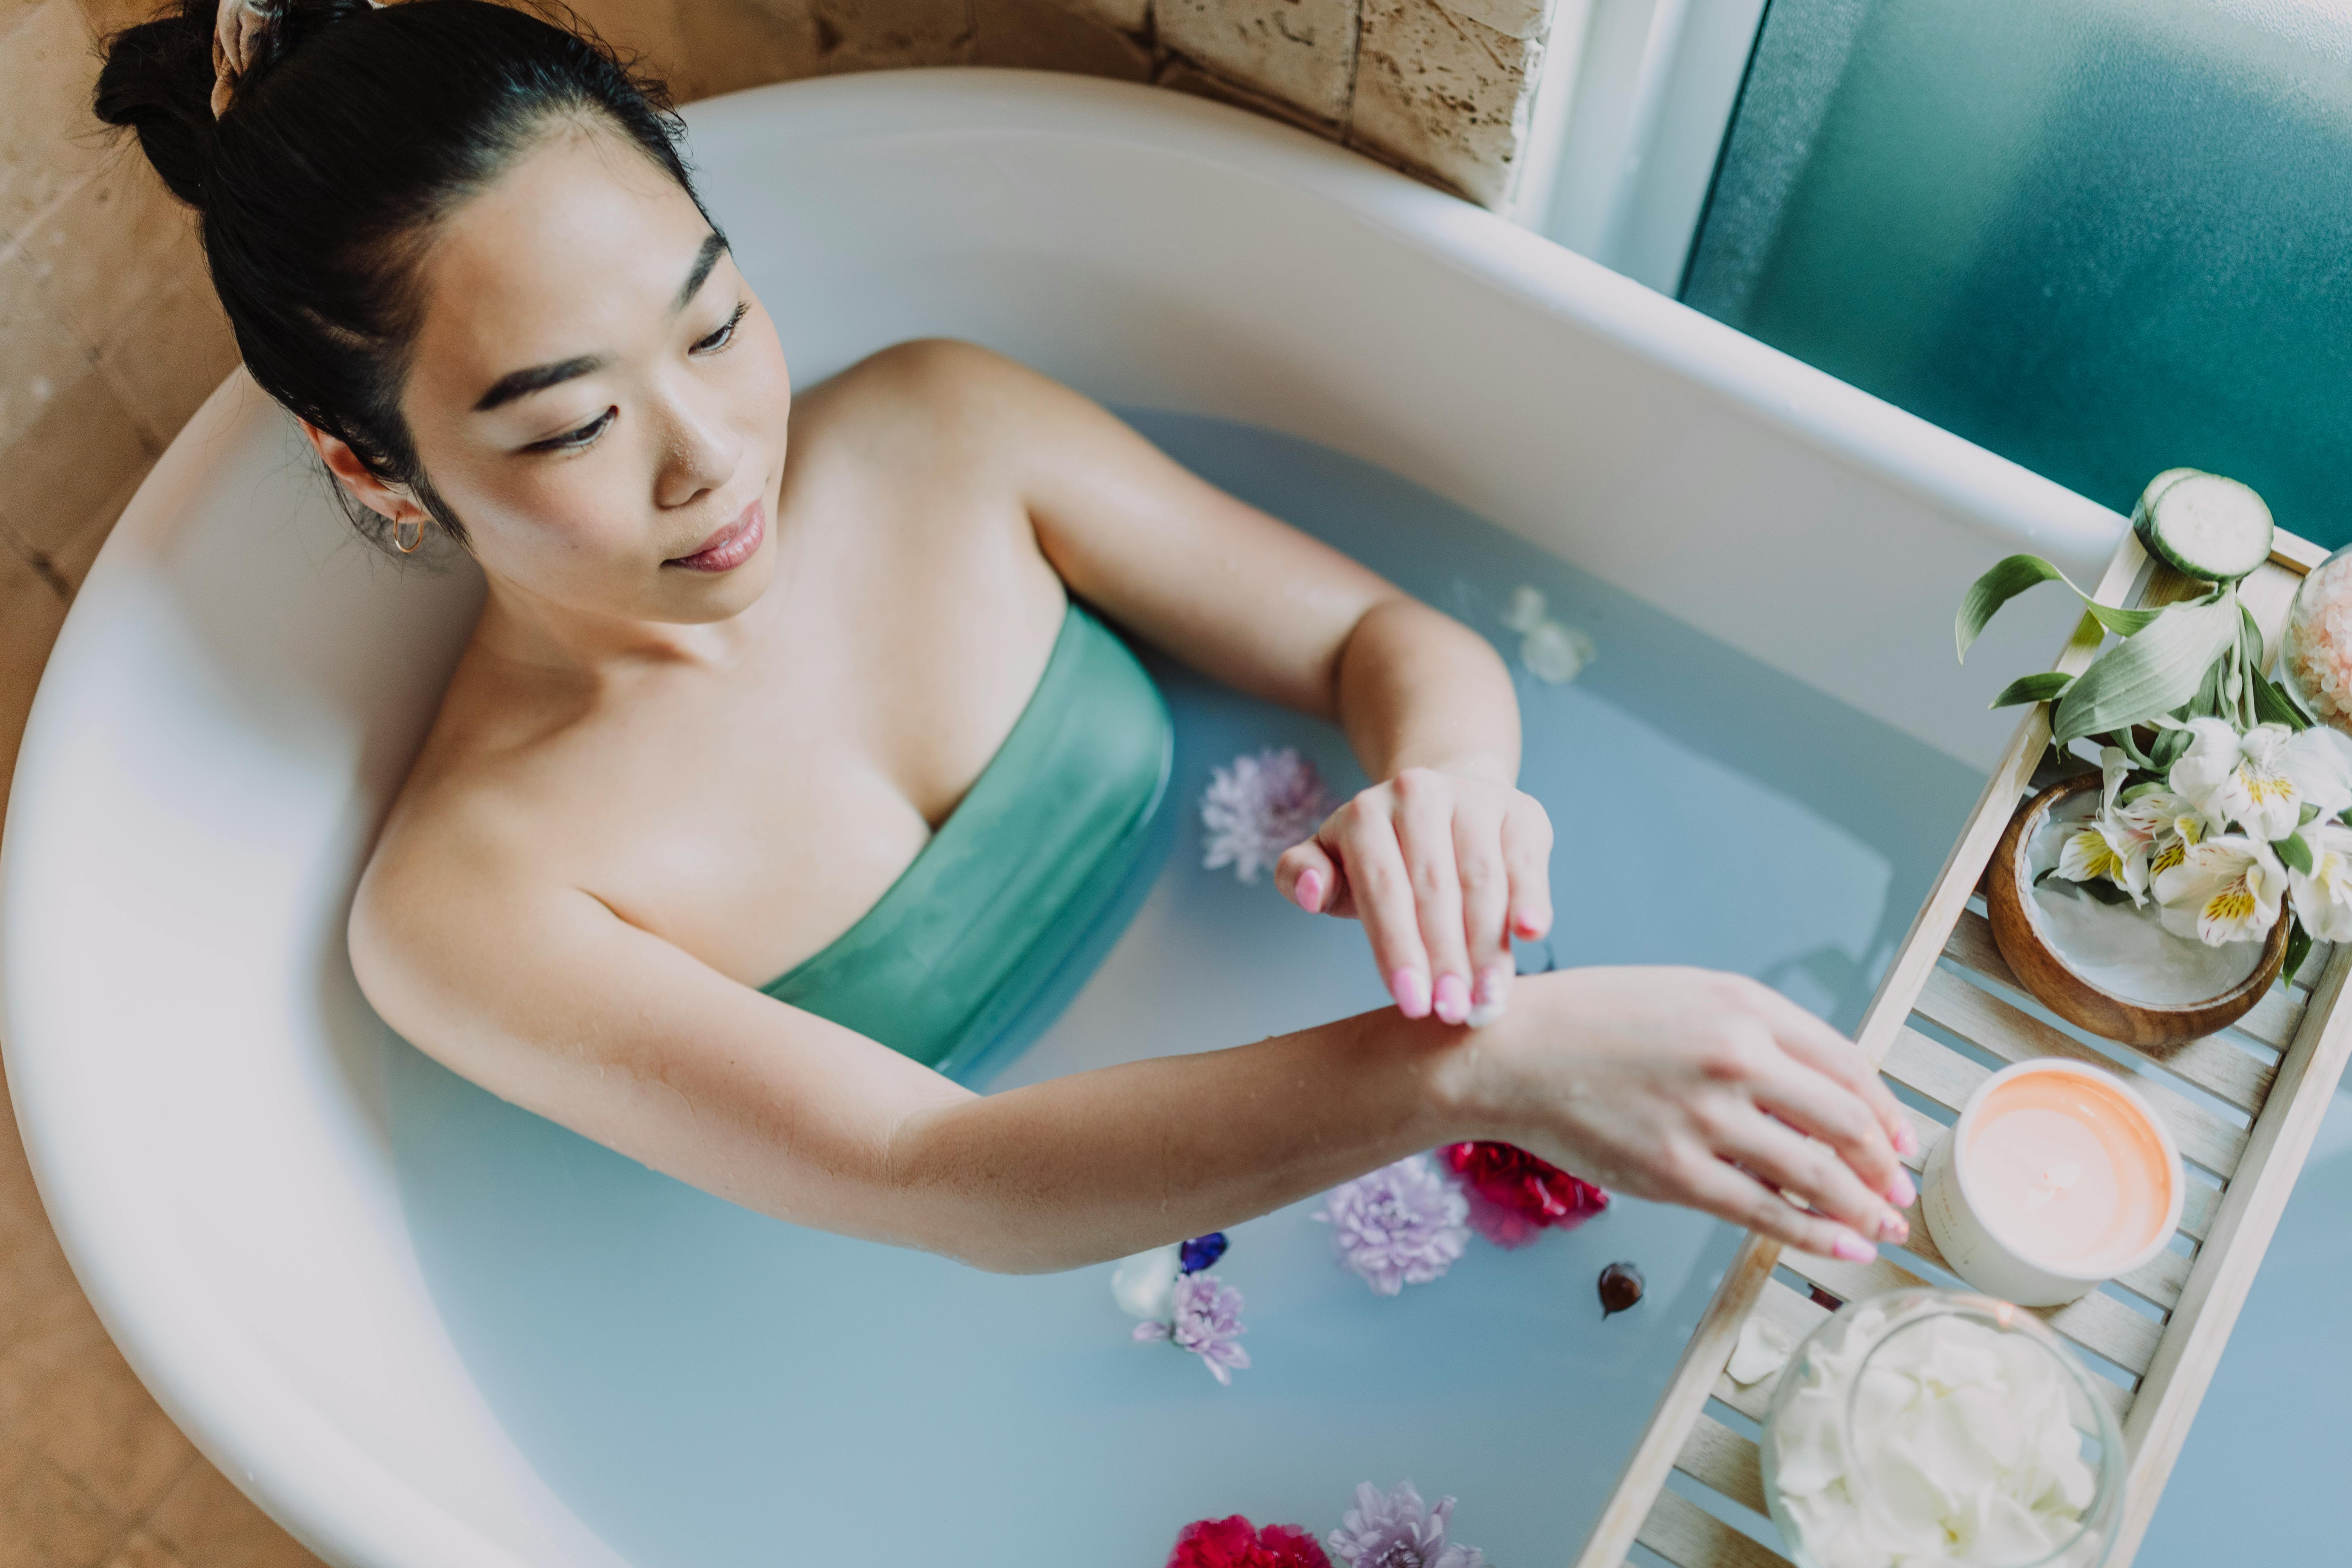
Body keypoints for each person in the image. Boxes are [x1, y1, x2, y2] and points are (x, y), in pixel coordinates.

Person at [96, 0, 1917, 1277]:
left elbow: (1382, 635)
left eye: (718, 321)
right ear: (383, 468)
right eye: (571, 427)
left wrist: (1448, 786)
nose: (714, 452)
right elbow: (940, 1180)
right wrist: (1487, 1068)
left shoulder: (942, 436)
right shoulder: (469, 907)